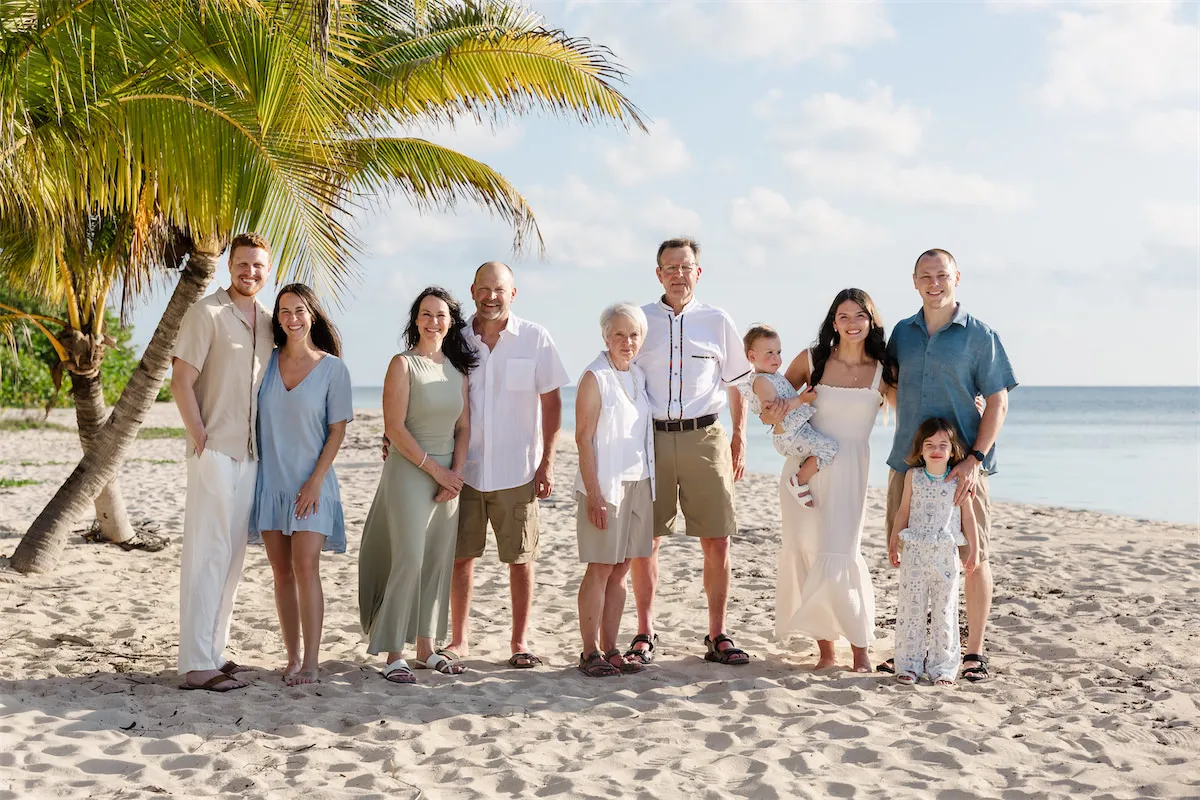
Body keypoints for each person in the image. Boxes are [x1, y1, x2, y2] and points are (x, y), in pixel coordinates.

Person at [881, 248, 1016, 683]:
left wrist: (975, 458)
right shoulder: (901, 333)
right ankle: (909, 651)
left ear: (957, 276)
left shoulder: (980, 335)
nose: (934, 282)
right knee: (908, 552)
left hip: (962, 470)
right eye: (926, 276)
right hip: (908, 464)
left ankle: (973, 651)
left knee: (972, 557)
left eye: (942, 275)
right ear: (914, 280)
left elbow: (998, 400)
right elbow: (886, 384)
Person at [627, 236, 753, 667]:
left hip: (706, 439)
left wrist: (739, 438)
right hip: (652, 439)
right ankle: (644, 631)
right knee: (647, 540)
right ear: (658, 273)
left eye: (687, 267)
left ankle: (717, 633)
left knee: (717, 540)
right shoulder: (639, 321)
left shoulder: (717, 321)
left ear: (698, 272)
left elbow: (738, 382)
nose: (679, 275)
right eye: (670, 267)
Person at [765, 288, 896, 673]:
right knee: (809, 552)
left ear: (871, 321)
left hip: (851, 471)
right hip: (804, 470)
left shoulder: (884, 370)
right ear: (833, 322)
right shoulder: (813, 360)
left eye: (860, 316)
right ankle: (825, 651)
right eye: (843, 316)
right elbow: (772, 403)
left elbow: (920, 411)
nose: (852, 323)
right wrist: (776, 416)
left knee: (841, 552)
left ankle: (860, 650)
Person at [172, 232, 275, 692]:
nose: (249, 272)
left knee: (232, 557)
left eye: (258, 266)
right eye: (242, 264)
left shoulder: (271, 322)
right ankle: (195, 663)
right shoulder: (206, 313)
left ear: (267, 271)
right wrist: (201, 438)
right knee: (206, 554)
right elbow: (180, 382)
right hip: (214, 450)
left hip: (250, 455)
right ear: (228, 265)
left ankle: (213, 651)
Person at [359, 287, 474, 684]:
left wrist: (455, 474)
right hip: (409, 470)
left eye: (440, 314)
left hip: (448, 477)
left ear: (450, 321)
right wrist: (437, 472)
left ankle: (426, 649)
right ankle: (394, 653)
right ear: (415, 320)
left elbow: (463, 427)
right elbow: (394, 428)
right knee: (408, 556)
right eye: (425, 314)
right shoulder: (402, 365)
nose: (432, 321)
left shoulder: (457, 371)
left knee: (438, 560)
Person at [250, 283, 353, 686]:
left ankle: (312, 661)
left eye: (299, 310)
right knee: (281, 573)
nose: (292, 318)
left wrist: (314, 482)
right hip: (271, 484)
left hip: (314, 485)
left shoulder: (333, 369)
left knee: (307, 566)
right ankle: (291, 658)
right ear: (277, 319)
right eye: (285, 312)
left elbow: (337, 432)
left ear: (313, 314)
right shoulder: (265, 364)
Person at [573, 303, 655, 678]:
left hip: (638, 482)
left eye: (634, 335)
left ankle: (611, 647)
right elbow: (584, 438)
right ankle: (589, 651)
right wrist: (595, 493)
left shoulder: (637, 374)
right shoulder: (596, 376)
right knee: (601, 567)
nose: (627, 341)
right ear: (606, 336)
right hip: (605, 485)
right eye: (619, 334)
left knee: (621, 569)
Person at [887, 418, 979, 686]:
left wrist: (973, 550)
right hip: (915, 554)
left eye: (942, 445)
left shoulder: (958, 479)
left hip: (945, 556)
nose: (936, 450)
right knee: (911, 609)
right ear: (921, 449)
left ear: (952, 450)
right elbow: (903, 511)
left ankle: (943, 669)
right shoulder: (913, 476)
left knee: (945, 611)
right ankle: (908, 666)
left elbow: (968, 518)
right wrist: (894, 543)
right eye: (930, 445)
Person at [739, 324, 838, 508]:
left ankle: (806, 472)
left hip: (796, 432)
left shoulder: (774, 376)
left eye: (778, 352)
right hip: (789, 436)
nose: (776, 358)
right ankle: (799, 481)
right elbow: (776, 411)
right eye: (769, 353)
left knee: (825, 446)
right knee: (828, 448)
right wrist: (801, 398)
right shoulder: (761, 381)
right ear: (752, 357)